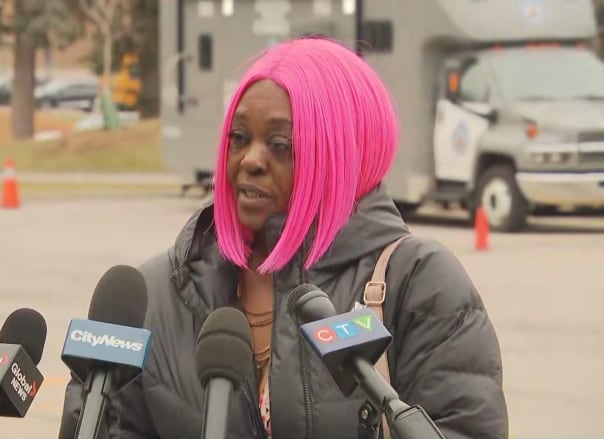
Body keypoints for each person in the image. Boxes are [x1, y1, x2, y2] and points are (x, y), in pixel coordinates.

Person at [59, 35, 508, 439]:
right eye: (238, 138)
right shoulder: (153, 293)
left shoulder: (419, 283)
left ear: (340, 153)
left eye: (280, 144)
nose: (250, 160)